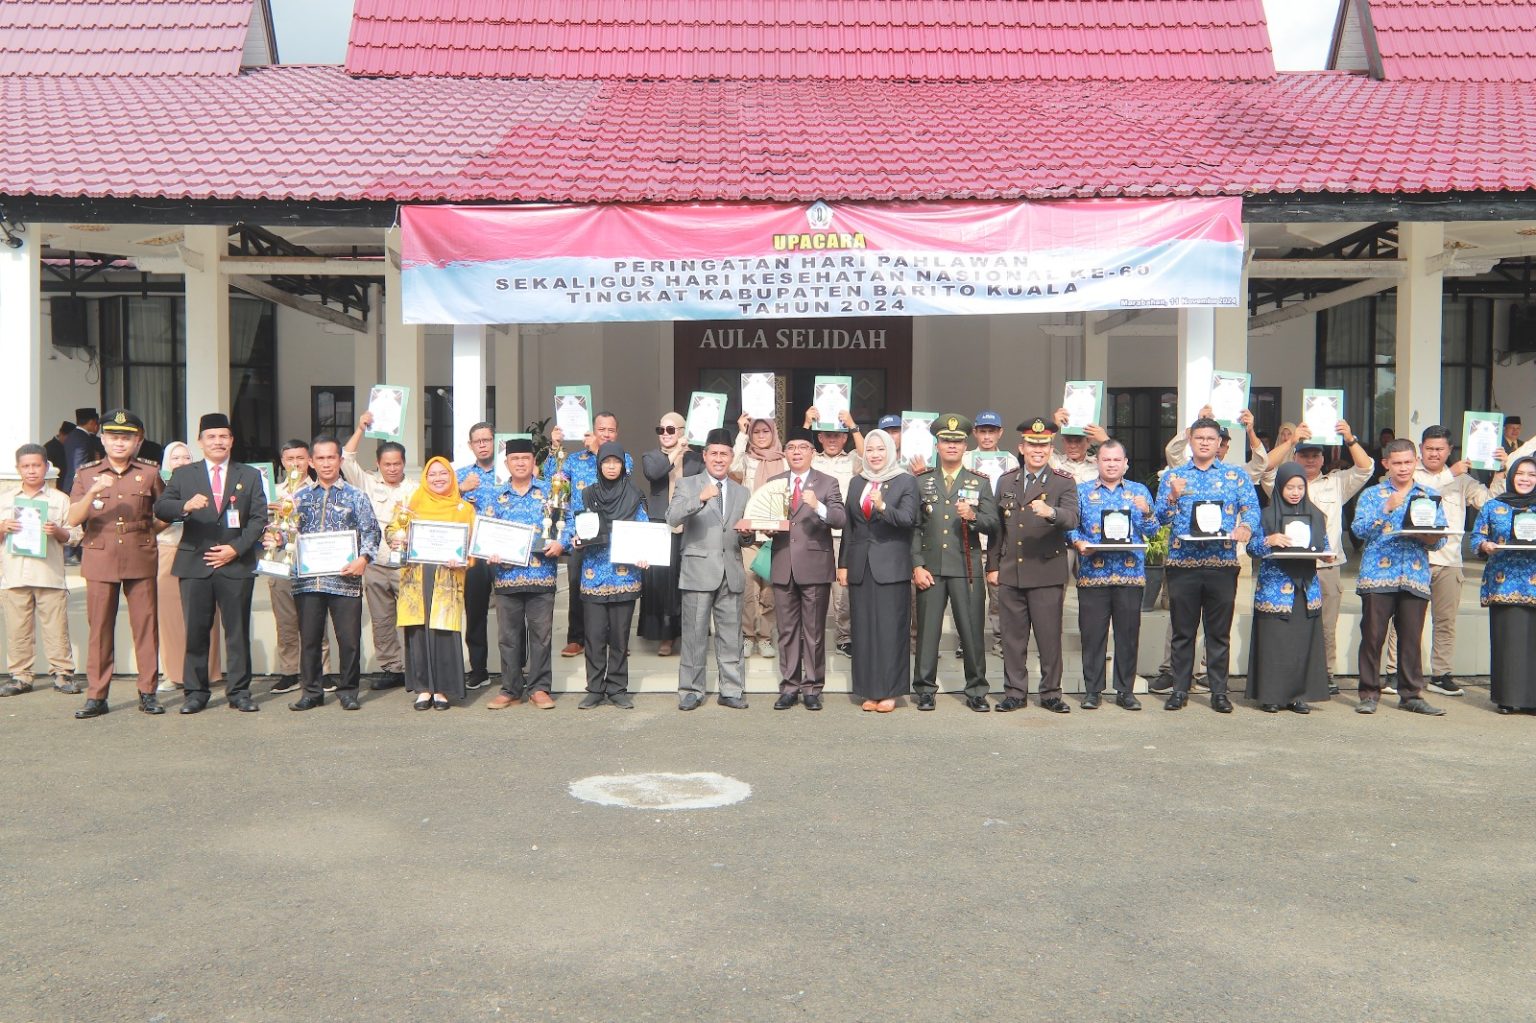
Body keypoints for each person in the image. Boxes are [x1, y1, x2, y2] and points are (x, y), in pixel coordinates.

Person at [155, 412, 268, 714]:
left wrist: (235, 549)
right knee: (196, 630)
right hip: (195, 562)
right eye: (211, 437)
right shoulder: (184, 474)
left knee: (237, 630)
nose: (218, 441)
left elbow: (259, 519)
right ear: (201, 441)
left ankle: (240, 691)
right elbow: (162, 507)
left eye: (223, 436)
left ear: (231, 440)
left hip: (235, 563)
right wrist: (184, 506)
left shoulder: (249, 475)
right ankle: (195, 691)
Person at [1381, 425, 1503, 697]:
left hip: (1449, 560)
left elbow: (1490, 503)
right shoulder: (1412, 473)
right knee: (1403, 619)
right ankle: (1394, 672)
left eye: (1440, 449)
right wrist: (1451, 473)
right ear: (1421, 449)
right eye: (1429, 448)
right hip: (1415, 557)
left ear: (1450, 450)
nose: (1434, 453)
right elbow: (1418, 494)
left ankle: (1441, 673)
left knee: (1445, 620)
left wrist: (1501, 471)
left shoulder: (1463, 479)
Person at [1154, 416, 1259, 713]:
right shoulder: (1173, 476)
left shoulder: (1234, 476)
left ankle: (1219, 691)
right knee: (1183, 631)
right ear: (1191, 440)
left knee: (1218, 632)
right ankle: (1179, 688)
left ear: (1219, 444)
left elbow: (1251, 508)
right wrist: (1173, 495)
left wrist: (1246, 528)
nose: (1204, 443)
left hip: (1221, 563)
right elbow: (1160, 519)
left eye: (1210, 439)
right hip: (1182, 563)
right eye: (1199, 438)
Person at [1260, 418, 1372, 694]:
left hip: (1325, 567)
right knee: (1289, 625)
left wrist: (1350, 438)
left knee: (1325, 626)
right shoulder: (1282, 482)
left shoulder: (1336, 484)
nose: (1310, 460)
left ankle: (1325, 674)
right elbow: (1265, 466)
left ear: (1323, 459)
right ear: (1296, 457)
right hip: (1287, 568)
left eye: (1315, 455)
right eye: (1304, 455)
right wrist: (1290, 440)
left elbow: (1366, 468)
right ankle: (1289, 677)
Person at [67, 409, 165, 718]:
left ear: (138, 440)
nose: (119, 443)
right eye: (113, 437)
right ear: (103, 439)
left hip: (139, 553)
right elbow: (72, 519)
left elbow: (163, 513)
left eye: (126, 437)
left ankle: (148, 691)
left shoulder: (149, 473)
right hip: (100, 554)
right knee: (99, 629)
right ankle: (97, 694)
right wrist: (93, 491)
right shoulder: (86, 474)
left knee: (145, 626)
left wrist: (146, 532)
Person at [1351, 438, 1448, 716]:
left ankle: (1411, 695)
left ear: (1416, 461)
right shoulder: (1373, 495)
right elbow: (1358, 530)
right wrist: (1386, 509)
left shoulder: (1428, 495)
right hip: (1377, 575)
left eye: (1408, 462)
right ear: (1386, 464)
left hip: (1415, 575)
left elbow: (1440, 541)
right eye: (1397, 463)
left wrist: (1426, 535)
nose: (1403, 468)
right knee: (1372, 637)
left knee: (1411, 638)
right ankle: (1369, 693)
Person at [988, 416, 1078, 713]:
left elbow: (1072, 518)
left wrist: (1050, 512)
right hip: (1012, 570)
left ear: (1051, 449)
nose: (1038, 450)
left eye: (1044, 445)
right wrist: (993, 566)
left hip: (1046, 571)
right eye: (1032, 445)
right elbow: (998, 529)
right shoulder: (1006, 480)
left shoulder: (1063, 481)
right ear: (1022, 447)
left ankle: (1051, 692)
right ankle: (1015, 692)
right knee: (1013, 639)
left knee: (1049, 637)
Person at [283, 437, 379, 710]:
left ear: (340, 460)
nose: (326, 463)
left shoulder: (356, 495)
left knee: (348, 640)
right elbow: (284, 534)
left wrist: (363, 558)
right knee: (310, 638)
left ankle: (348, 690)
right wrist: (275, 538)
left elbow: (372, 531)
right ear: (311, 462)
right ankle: (311, 691)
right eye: (320, 458)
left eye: (331, 458)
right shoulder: (297, 498)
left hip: (345, 579)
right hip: (308, 581)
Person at [912, 414, 999, 710]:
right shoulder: (922, 482)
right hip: (931, 568)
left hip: (967, 568)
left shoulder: (979, 482)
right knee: (927, 632)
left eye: (958, 441)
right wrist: (916, 565)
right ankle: (924, 688)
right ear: (937, 445)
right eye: (946, 441)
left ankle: (976, 691)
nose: (952, 446)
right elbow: (914, 527)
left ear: (966, 445)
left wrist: (973, 517)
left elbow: (993, 522)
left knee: (972, 631)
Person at [668, 428, 753, 710]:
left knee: (731, 635)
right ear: (704, 456)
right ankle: (690, 690)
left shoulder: (742, 491)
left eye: (724, 454)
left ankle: (731, 689)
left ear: (731, 457)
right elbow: (672, 518)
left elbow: (741, 533)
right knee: (693, 634)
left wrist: (748, 535)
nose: (719, 459)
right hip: (698, 569)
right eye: (714, 453)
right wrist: (700, 499)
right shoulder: (688, 484)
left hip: (731, 569)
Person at [1067, 438, 1155, 710]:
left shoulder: (1139, 492)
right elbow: (1070, 526)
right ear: (1098, 462)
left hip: (1130, 575)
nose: (1112, 464)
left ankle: (1125, 691)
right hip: (1094, 575)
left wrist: (1147, 511)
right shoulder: (1081, 492)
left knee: (1127, 635)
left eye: (1117, 459)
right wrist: (1078, 542)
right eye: (1107, 459)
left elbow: (1153, 531)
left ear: (1126, 464)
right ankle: (1093, 690)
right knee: (1092, 635)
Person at [562, 441, 649, 708]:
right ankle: (596, 688)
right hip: (593, 573)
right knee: (595, 636)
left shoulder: (634, 495)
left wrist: (645, 552)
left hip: (625, 573)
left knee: (620, 636)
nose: (611, 467)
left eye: (616, 462)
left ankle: (618, 688)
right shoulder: (587, 494)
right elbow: (570, 520)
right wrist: (572, 538)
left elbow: (643, 527)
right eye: (606, 462)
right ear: (599, 465)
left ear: (623, 465)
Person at [839, 428, 919, 712]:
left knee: (890, 630)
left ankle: (891, 691)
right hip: (861, 564)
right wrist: (844, 564)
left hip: (891, 565)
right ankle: (868, 691)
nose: (874, 455)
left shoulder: (905, 481)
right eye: (870, 450)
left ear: (891, 451)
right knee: (863, 630)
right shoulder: (856, 482)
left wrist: (883, 507)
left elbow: (909, 519)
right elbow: (850, 525)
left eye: (880, 449)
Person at [768, 431, 847, 711]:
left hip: (814, 566)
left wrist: (818, 505)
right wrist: (767, 528)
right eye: (791, 448)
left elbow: (839, 519)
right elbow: (767, 518)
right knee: (787, 631)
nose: (797, 452)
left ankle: (812, 687)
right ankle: (789, 686)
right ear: (785, 454)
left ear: (813, 452)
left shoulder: (827, 483)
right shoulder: (774, 483)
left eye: (803, 447)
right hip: (782, 564)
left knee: (813, 631)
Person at [1245, 463, 1331, 713]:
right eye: (1290, 487)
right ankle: (1271, 696)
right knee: (1275, 644)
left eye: (1300, 487)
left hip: (1305, 589)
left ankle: (1297, 696)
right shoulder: (1267, 515)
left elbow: (1324, 544)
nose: (1295, 492)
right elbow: (1251, 549)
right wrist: (1268, 541)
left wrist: (1326, 556)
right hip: (1275, 590)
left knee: (1300, 644)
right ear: (1280, 487)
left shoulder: (1315, 515)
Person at [485, 437, 564, 710]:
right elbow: (484, 533)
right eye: (515, 459)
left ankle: (540, 688)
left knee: (541, 636)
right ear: (507, 463)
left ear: (533, 462)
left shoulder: (551, 492)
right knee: (508, 637)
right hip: (507, 576)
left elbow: (569, 521)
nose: (520, 463)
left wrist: (560, 542)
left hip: (542, 575)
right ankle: (510, 689)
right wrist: (489, 552)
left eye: (525, 458)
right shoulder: (495, 496)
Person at [547, 412, 631, 658]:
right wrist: (555, 447)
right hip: (580, 534)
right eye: (601, 429)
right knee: (577, 585)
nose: (606, 434)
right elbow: (553, 480)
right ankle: (577, 638)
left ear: (617, 433)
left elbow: (624, 480)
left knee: (613, 587)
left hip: (612, 535)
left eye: (611, 430)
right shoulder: (574, 460)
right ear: (593, 430)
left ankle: (613, 641)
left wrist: (597, 453)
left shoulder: (624, 459)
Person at [0, 443, 81, 698]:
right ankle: (20, 676)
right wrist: (2, 527)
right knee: (17, 629)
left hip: (49, 575)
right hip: (14, 574)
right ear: (18, 469)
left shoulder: (59, 499)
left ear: (46, 467)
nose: (32, 471)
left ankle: (62, 673)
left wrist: (57, 532)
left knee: (56, 628)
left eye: (36, 465)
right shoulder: (5, 500)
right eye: (26, 466)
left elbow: (77, 535)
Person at [343, 413, 417, 690]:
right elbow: (346, 458)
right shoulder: (367, 484)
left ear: (404, 464)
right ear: (378, 464)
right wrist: (360, 428)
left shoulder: (414, 489)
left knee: (411, 618)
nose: (392, 469)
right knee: (382, 619)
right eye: (387, 464)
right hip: (375, 563)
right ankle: (391, 668)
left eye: (397, 464)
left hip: (406, 565)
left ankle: (414, 666)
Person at [396, 457, 477, 710]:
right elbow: (393, 530)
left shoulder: (464, 509)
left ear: (452, 477)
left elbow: (472, 547)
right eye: (433, 474)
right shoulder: (412, 505)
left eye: (444, 473)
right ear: (425, 478)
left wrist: (463, 560)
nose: (438, 478)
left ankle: (442, 689)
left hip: (448, 578)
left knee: (443, 632)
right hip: (417, 576)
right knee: (419, 632)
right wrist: (400, 540)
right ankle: (423, 689)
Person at [1469, 455, 1536, 714]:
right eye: (1520, 473)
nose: (1525, 479)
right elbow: (1477, 537)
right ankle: (1507, 698)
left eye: (1531, 474)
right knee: (1508, 642)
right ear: (1511, 476)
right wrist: (1485, 546)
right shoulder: (1493, 506)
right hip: (1504, 583)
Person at [154, 441, 221, 695]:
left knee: (206, 615)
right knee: (171, 618)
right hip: (169, 549)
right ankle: (173, 673)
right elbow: (152, 522)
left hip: (201, 549)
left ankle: (210, 672)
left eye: (185, 457)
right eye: (175, 458)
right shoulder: (158, 485)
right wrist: (181, 508)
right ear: (166, 463)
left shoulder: (204, 480)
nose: (181, 462)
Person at [639, 411, 702, 656]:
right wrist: (676, 452)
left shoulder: (696, 459)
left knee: (683, 580)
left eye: (670, 429)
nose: (665, 434)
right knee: (661, 581)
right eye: (661, 430)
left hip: (688, 524)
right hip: (660, 525)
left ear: (682, 431)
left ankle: (684, 634)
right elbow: (654, 474)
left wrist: (686, 452)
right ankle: (664, 635)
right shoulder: (652, 457)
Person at [802, 406, 863, 657]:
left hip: (842, 532)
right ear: (819, 437)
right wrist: (806, 423)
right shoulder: (812, 458)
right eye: (826, 435)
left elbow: (867, 457)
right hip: (812, 530)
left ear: (844, 437)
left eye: (837, 435)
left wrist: (852, 423)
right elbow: (796, 451)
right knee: (810, 587)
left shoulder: (852, 460)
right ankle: (807, 637)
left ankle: (845, 636)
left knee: (842, 590)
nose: (831, 439)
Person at [263, 439, 317, 695]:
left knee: (315, 619)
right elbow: (258, 525)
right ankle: (289, 672)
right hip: (280, 561)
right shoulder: (272, 491)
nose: (296, 463)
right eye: (290, 459)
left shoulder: (318, 488)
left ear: (310, 460)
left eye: (300, 458)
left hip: (312, 561)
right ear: (282, 462)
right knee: (285, 621)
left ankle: (320, 671)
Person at [731, 414, 787, 659]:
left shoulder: (784, 462)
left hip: (776, 537)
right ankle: (747, 636)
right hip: (750, 536)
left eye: (766, 431)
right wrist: (742, 433)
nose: (761, 436)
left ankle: (765, 637)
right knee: (748, 587)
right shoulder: (746, 460)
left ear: (774, 433)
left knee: (770, 590)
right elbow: (732, 469)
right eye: (756, 432)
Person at [963, 410, 1017, 657]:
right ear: (975, 432)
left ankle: (1000, 639)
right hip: (969, 532)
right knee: (969, 594)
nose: (986, 436)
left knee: (999, 593)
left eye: (991, 431)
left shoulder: (1010, 461)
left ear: (1000, 433)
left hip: (998, 535)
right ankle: (968, 641)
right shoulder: (965, 458)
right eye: (982, 431)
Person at [455, 421, 499, 689]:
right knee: (475, 611)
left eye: (487, 439)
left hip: (505, 550)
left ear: (495, 442)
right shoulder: (459, 476)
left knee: (512, 611)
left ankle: (516, 668)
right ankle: (479, 668)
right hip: (474, 552)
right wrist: (461, 490)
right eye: (477, 441)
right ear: (470, 446)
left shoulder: (508, 472)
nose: (482, 444)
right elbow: (441, 502)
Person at [1050, 407, 1108, 485]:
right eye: (1069, 441)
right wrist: (1055, 426)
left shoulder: (1098, 464)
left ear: (1088, 441)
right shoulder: (1055, 462)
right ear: (1063, 442)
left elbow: (1121, 466)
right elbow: (1040, 451)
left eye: (1078, 441)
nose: (1073, 446)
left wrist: (1106, 440)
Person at [60, 407, 104, 495]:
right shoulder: (83, 439)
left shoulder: (72, 435)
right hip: (78, 487)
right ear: (91, 422)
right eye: (96, 423)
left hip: (69, 484)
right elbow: (79, 466)